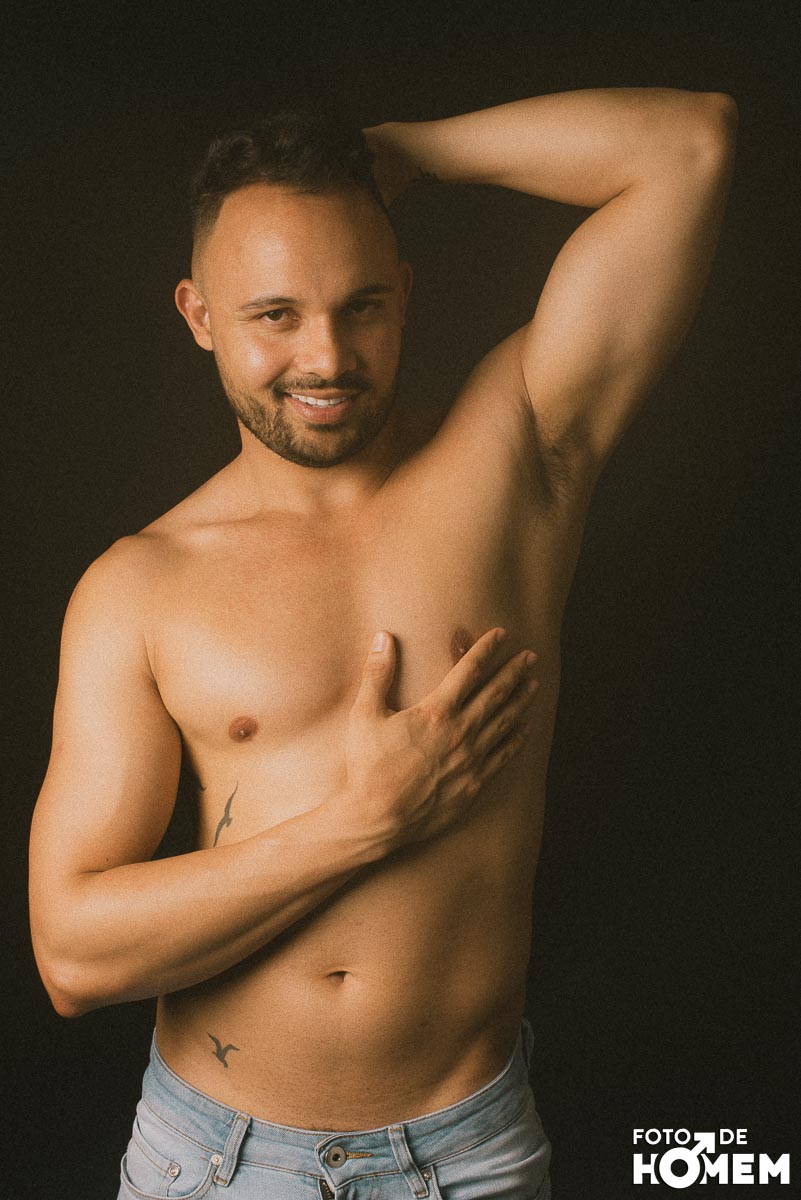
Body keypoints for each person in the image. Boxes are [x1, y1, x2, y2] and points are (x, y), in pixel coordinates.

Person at [29, 88, 736, 1198]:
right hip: (215, 1163)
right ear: (199, 314)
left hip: (469, 1155)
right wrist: (358, 824)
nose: (326, 356)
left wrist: (408, 152)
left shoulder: (518, 458)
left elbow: (688, 146)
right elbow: (72, 954)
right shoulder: (139, 587)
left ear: (403, 292)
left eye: (360, 305)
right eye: (274, 315)